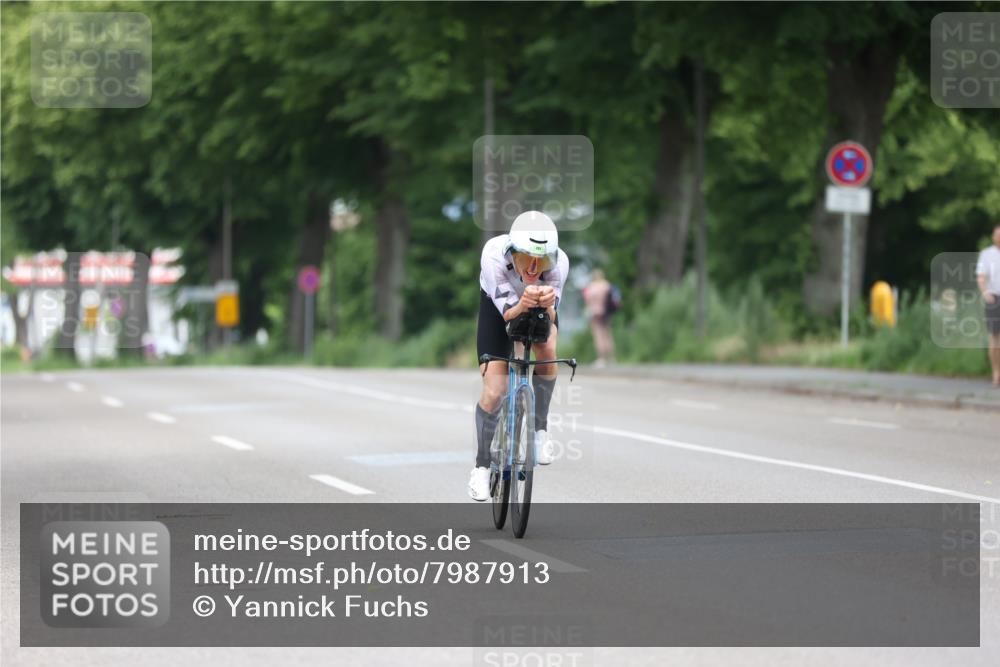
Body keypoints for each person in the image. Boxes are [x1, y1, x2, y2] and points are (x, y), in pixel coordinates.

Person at [469, 210, 569, 501]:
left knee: (548, 349)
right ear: (513, 252)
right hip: (499, 308)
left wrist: (548, 305)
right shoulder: (493, 256)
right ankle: (481, 466)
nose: (534, 267)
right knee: (495, 388)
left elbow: (552, 315)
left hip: (536, 304)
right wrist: (523, 302)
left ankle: (539, 431)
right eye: (526, 258)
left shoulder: (559, 263)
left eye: (543, 260)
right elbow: (509, 316)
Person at [975, 223, 1000, 387]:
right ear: (993, 237)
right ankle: (996, 373)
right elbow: (981, 276)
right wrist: (985, 292)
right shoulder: (987, 254)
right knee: (995, 336)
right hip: (994, 298)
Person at [582, 268, 617, 367]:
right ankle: (611, 358)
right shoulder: (607, 285)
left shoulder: (591, 287)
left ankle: (601, 359)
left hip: (595, 313)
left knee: (598, 335)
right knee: (608, 335)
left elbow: (587, 300)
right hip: (607, 313)